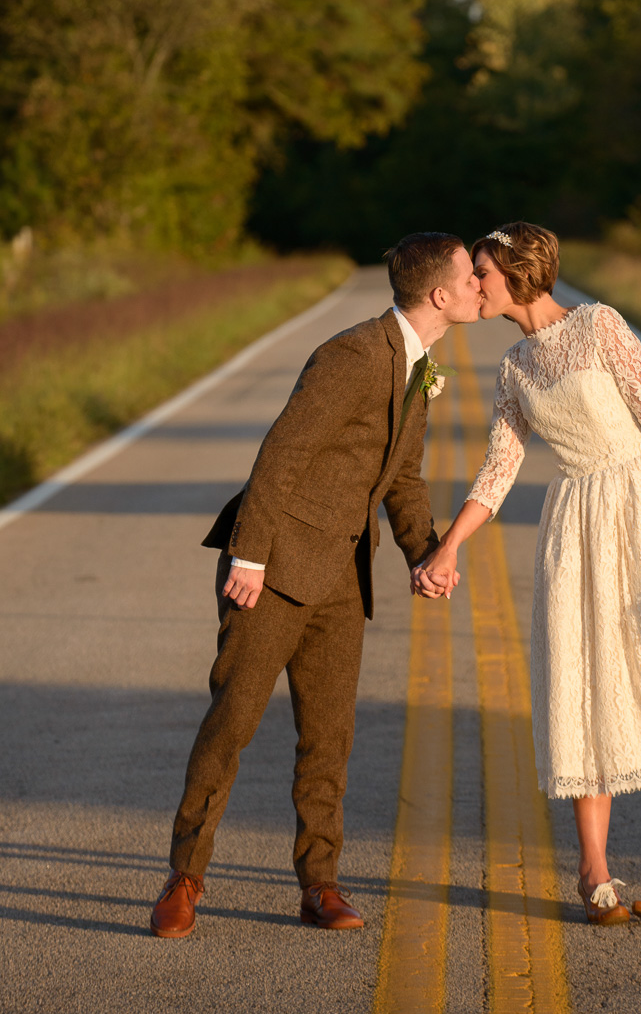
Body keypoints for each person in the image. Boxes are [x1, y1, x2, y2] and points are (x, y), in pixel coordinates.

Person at [415, 222, 641, 927]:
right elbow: (498, 468)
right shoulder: (512, 368)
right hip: (575, 527)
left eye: (483, 273)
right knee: (586, 685)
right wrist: (449, 547)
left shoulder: (598, 326)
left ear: (519, 273)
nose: (475, 285)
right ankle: (593, 868)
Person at [150, 232, 480, 938]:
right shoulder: (354, 354)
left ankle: (319, 886)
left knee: (329, 740)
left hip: (340, 577)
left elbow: (406, 479)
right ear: (440, 294)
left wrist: (426, 553)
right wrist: (248, 557)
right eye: (470, 277)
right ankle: (184, 877)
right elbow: (282, 452)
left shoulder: (419, 365)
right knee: (232, 724)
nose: (482, 285)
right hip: (272, 570)